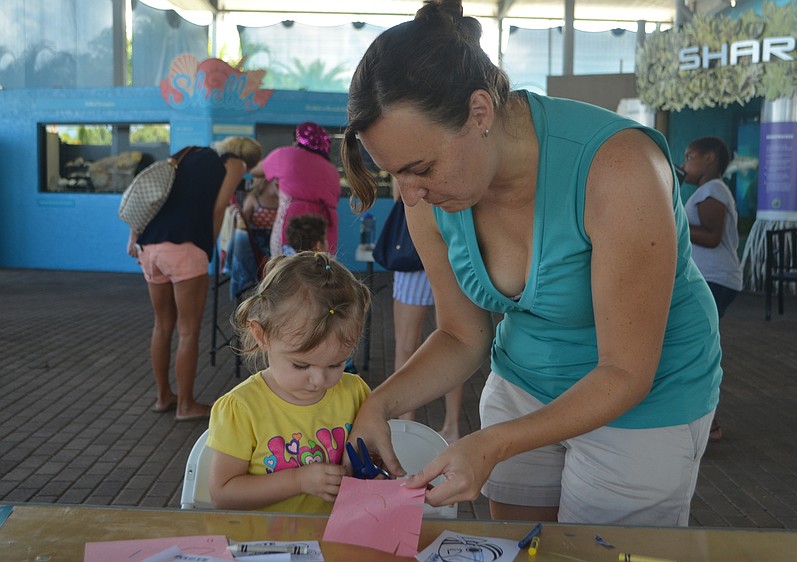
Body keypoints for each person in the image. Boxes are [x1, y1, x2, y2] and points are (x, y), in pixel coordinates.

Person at [339, 0, 722, 526]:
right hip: (524, 378)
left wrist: (492, 444)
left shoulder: (620, 167)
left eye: (420, 168)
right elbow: (460, 335)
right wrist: (377, 404)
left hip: (646, 396)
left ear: (480, 112)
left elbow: (626, 371)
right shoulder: (427, 199)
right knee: (523, 545)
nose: (409, 196)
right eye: (393, 176)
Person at [206, 252, 372, 513]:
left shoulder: (357, 393)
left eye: (336, 364)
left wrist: (377, 479)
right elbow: (222, 493)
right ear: (261, 335)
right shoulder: (242, 408)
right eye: (301, 365)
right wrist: (298, 481)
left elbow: (371, 461)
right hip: (266, 547)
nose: (319, 380)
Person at [127, 137, 263, 421]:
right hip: (185, 249)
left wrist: (134, 236)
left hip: (150, 247)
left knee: (162, 326)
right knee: (188, 331)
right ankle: (186, 405)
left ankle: (163, 397)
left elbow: (148, 198)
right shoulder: (234, 163)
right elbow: (219, 208)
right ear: (246, 159)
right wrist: (207, 247)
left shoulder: (184, 154)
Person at [386, 179, 463, 443]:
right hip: (454, 246)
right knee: (458, 342)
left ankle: (408, 425)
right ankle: (451, 426)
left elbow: (401, 195)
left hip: (417, 251)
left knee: (408, 346)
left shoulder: (405, 153)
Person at [681, 136, 743, 442]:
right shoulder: (708, 191)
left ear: (709, 159)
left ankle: (709, 420)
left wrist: (673, 219)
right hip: (713, 279)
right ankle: (710, 419)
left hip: (715, 279)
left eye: (690, 155)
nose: (684, 162)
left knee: (694, 345)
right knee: (695, 343)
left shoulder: (713, 190)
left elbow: (711, 236)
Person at [251, 122, 341, 256]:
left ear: (297, 141)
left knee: (287, 267)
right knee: (320, 269)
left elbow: (255, 171)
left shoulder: (285, 154)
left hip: (292, 222)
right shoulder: (333, 170)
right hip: (324, 228)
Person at [241, 177, 279, 257]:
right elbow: (242, 224)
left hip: (277, 242)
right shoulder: (253, 199)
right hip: (258, 245)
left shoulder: (282, 200)